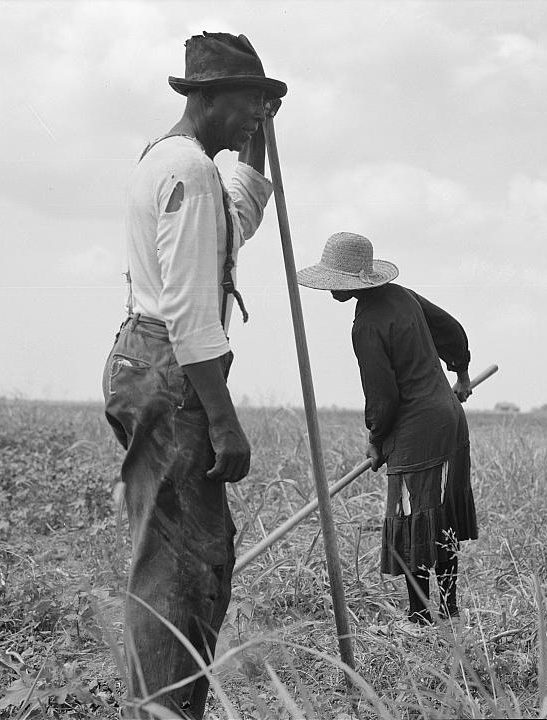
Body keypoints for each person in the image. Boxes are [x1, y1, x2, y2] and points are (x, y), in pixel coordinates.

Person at [102, 32, 285, 718]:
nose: (254, 118)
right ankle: (166, 712)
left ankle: (165, 705)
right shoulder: (185, 170)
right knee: (183, 563)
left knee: (183, 554)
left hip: (146, 359)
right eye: (248, 103)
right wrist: (223, 418)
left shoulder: (186, 163)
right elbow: (186, 309)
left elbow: (242, 206)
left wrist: (260, 137)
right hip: (171, 366)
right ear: (205, 97)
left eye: (265, 108)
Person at [297, 232, 477, 626]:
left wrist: (376, 440)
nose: (331, 290)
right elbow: (451, 328)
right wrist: (460, 372)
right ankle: (448, 610)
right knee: (440, 514)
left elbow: (383, 397)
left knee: (412, 516)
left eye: (337, 282)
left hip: (418, 429)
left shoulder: (366, 326)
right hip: (449, 419)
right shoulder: (404, 296)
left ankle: (419, 617)